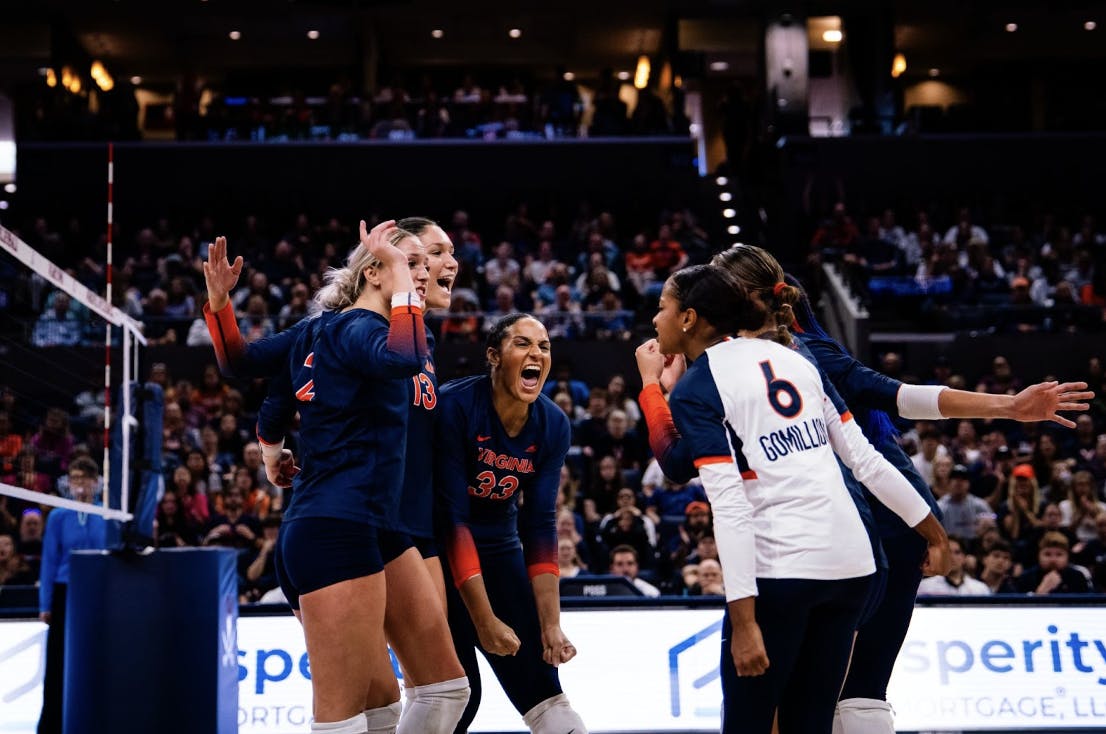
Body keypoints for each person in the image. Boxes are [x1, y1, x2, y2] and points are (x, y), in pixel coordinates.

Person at [704, 245, 1092, 734]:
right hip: (888, 528)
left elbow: (902, 398)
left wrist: (1011, 407)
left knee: (786, 699)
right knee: (855, 695)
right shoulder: (773, 354)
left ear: (736, 297)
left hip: (865, 533)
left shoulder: (799, 355)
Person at [635, 264, 949, 734]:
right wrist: (935, 534)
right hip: (852, 569)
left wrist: (743, 622)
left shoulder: (700, 387)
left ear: (689, 319)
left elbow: (730, 505)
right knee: (810, 723)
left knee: (750, 723)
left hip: (784, 572)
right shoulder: (796, 358)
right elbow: (866, 461)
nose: (654, 320)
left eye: (662, 308)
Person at [204, 222, 429, 734]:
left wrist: (220, 303)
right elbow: (408, 358)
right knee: (342, 719)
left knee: (382, 709)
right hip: (339, 528)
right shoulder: (363, 330)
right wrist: (402, 283)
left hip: (327, 524)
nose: (419, 273)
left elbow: (239, 362)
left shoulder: (314, 331)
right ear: (373, 271)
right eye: (407, 262)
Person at [435, 313, 587, 734]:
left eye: (544, 346)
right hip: (437, 551)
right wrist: (484, 621)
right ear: (493, 356)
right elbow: (453, 520)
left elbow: (539, 525)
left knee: (544, 688)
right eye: (522, 343)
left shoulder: (553, 423)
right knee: (460, 698)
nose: (536, 353)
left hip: (500, 548)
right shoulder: (455, 405)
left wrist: (552, 624)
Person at [37, 457, 109, 734]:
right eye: (74, 478)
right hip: (64, 592)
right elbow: (49, 561)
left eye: (84, 478)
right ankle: (52, 725)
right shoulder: (58, 516)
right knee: (57, 662)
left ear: (95, 482)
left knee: (95, 656)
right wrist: (45, 603)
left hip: (96, 592)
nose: (79, 484)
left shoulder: (106, 514)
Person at [916, 537, 990, 596]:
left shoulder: (980, 589)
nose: (952, 557)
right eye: (948, 552)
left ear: (964, 557)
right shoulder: (925, 587)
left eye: (957, 552)